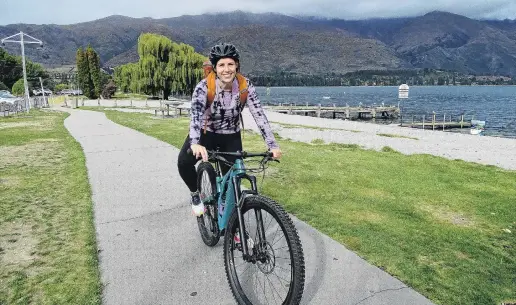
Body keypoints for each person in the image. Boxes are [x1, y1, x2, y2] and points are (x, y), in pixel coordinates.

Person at [177, 43, 281, 217]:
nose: (226, 69)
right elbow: (196, 116)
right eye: (222, 65)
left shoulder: (245, 86)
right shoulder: (204, 87)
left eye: (230, 64)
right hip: (205, 134)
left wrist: (272, 145)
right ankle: (195, 194)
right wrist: (195, 143)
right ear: (215, 68)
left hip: (230, 137)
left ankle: (232, 226)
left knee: (233, 184)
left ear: (237, 65)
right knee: (183, 162)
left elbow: (259, 116)